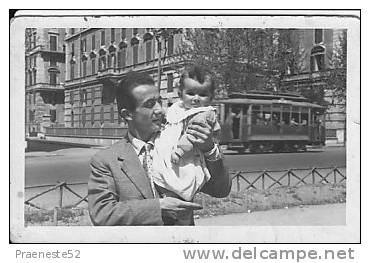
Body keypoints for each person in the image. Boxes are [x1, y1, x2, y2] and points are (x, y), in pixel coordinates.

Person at [88, 71, 231, 226]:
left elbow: (221, 190)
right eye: (150, 105)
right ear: (127, 114)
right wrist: (159, 207)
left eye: (159, 102)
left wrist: (209, 149)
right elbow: (102, 214)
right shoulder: (106, 160)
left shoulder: (180, 139)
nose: (160, 110)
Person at [152, 65, 221, 205]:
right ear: (180, 94)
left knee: (181, 180)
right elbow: (170, 119)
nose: (196, 99)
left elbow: (192, 136)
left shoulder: (203, 115)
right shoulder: (178, 108)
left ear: (211, 97)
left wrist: (179, 151)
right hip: (170, 152)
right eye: (190, 93)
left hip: (187, 155)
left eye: (202, 94)